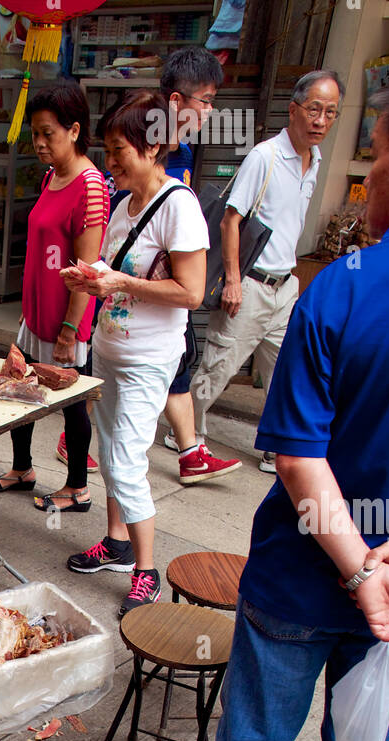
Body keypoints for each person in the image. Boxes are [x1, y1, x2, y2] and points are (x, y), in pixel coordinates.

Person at [179, 85, 389, 741]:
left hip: (302, 575)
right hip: (385, 594)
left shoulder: (338, 291)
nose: (367, 175)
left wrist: (356, 569)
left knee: (258, 727)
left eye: (374, 156)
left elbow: (300, 460)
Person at [63, 91, 209, 615]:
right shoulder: (124, 207)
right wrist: (91, 278)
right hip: (109, 349)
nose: (110, 161)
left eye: (119, 149)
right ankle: (116, 542)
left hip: (150, 358)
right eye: (107, 149)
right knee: (110, 452)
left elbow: (192, 293)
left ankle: (146, 570)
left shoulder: (180, 207)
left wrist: (120, 279)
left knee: (125, 462)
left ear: (152, 148)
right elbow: (120, 277)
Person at [189, 69, 344, 475]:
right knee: (219, 365)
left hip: (285, 287)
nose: (321, 120)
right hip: (251, 284)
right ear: (293, 109)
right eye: (314, 109)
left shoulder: (316, 160)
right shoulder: (265, 156)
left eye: (331, 113)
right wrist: (235, 282)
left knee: (287, 371)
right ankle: (187, 432)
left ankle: (280, 447)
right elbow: (230, 219)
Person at [0, 82, 109, 512]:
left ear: (74, 130)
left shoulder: (91, 186)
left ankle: (77, 488)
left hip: (66, 322)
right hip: (34, 315)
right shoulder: (51, 175)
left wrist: (71, 330)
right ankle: (23, 470)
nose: (38, 143)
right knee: (20, 389)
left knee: (72, 406)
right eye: (34, 134)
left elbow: (88, 271)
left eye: (47, 133)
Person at [158, 46, 241, 485]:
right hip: (142, 287)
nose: (210, 111)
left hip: (174, 284)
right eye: (205, 101)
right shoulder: (146, 148)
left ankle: (190, 453)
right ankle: (76, 439)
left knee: (177, 362)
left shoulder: (184, 152)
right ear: (176, 102)